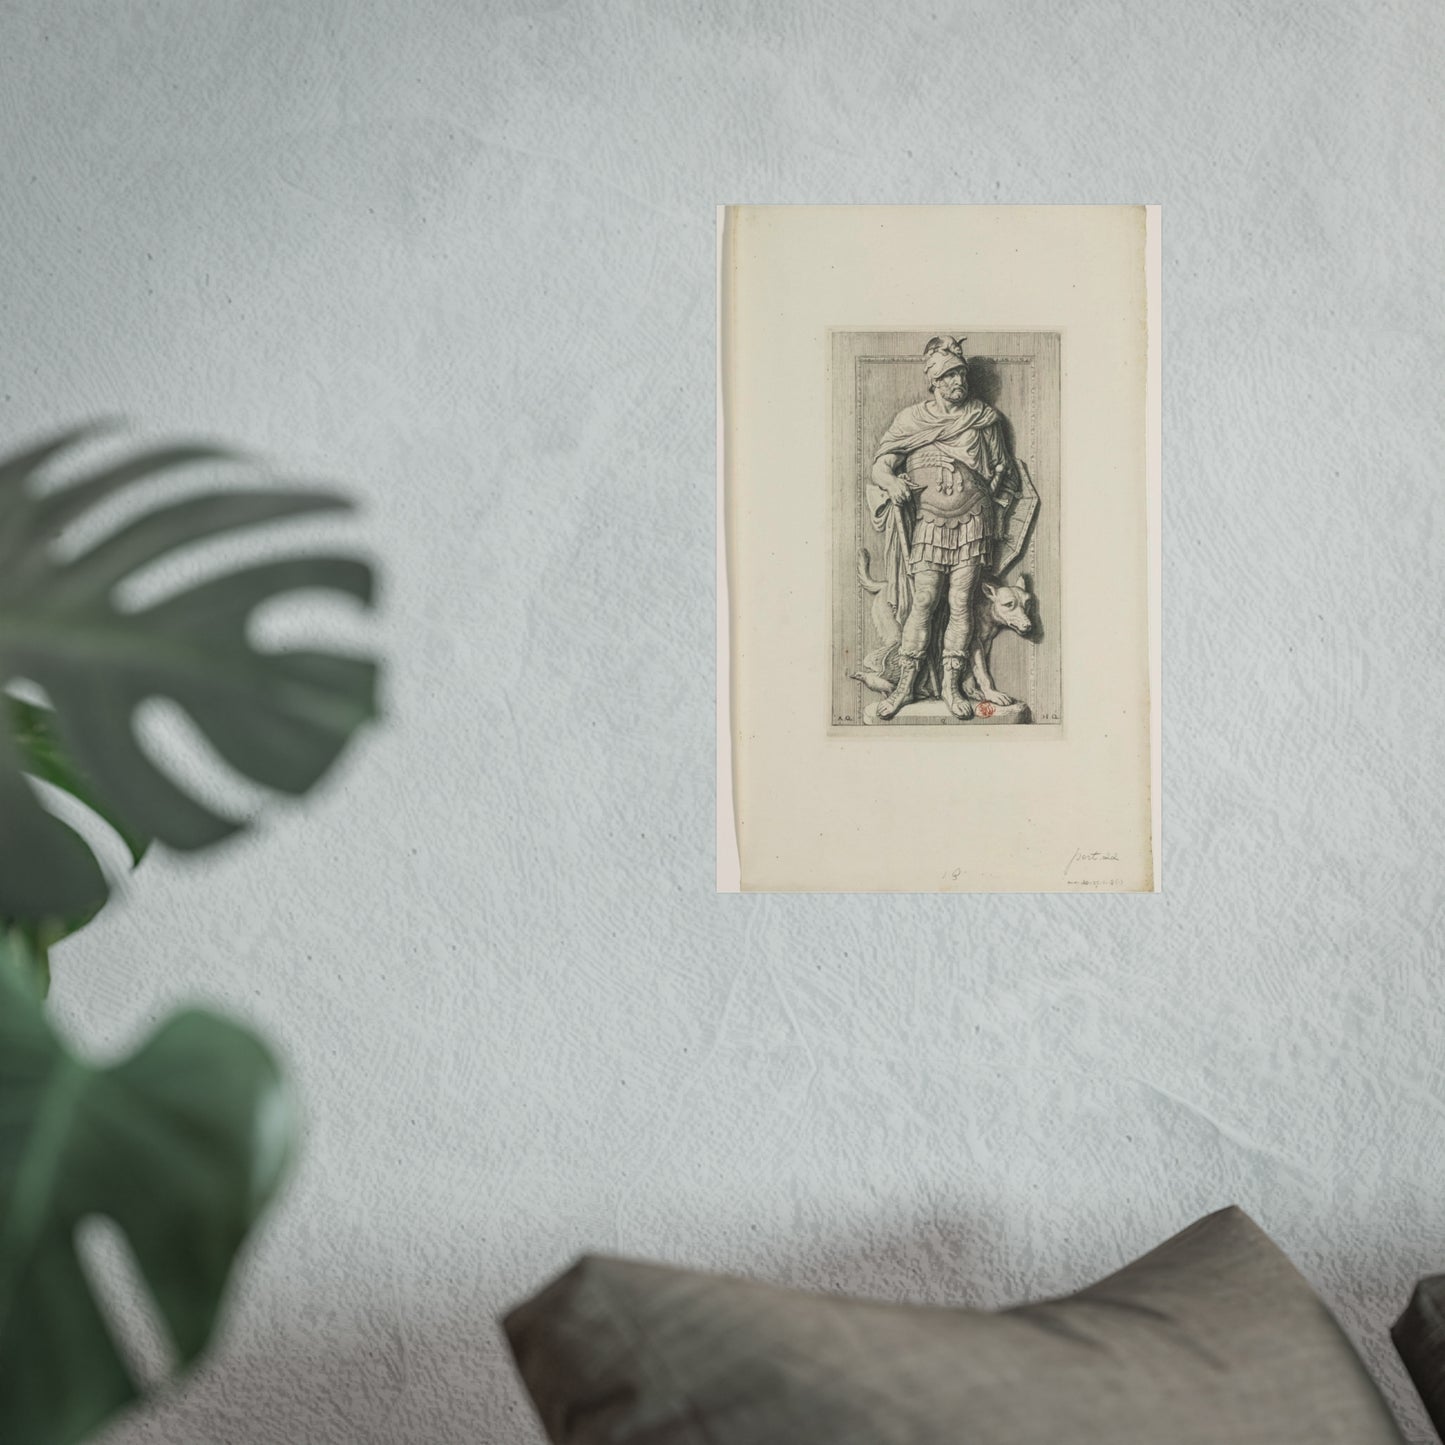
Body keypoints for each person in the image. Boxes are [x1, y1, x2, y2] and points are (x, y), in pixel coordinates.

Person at [866, 337, 1017, 720]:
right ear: (933, 381)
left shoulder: (983, 418)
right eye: (948, 376)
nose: (957, 382)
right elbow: (880, 466)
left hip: (972, 521)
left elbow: (1002, 468)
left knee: (961, 602)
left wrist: (982, 491)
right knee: (925, 601)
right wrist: (892, 483)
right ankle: (905, 686)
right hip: (929, 521)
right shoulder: (910, 421)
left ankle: (951, 686)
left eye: (961, 374)